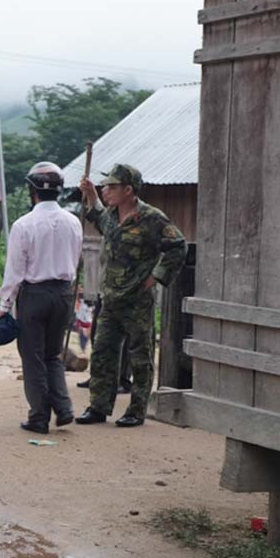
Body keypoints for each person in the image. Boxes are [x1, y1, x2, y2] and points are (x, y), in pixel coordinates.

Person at [76, 164, 186, 427]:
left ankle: (136, 410)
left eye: (112, 187)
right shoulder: (112, 216)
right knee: (102, 353)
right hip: (111, 298)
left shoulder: (152, 218)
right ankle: (99, 407)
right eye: (105, 187)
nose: (106, 191)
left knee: (140, 356)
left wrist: (156, 277)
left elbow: (177, 247)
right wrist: (91, 195)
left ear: (128, 190)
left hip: (137, 300)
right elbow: (98, 219)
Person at [0, 162, 82, 434]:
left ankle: (39, 416)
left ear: (32, 191)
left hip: (34, 296)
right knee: (52, 355)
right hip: (63, 294)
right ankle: (64, 407)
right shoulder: (74, 222)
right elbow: (76, 259)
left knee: (32, 358)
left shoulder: (24, 225)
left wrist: (4, 306)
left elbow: (14, 271)